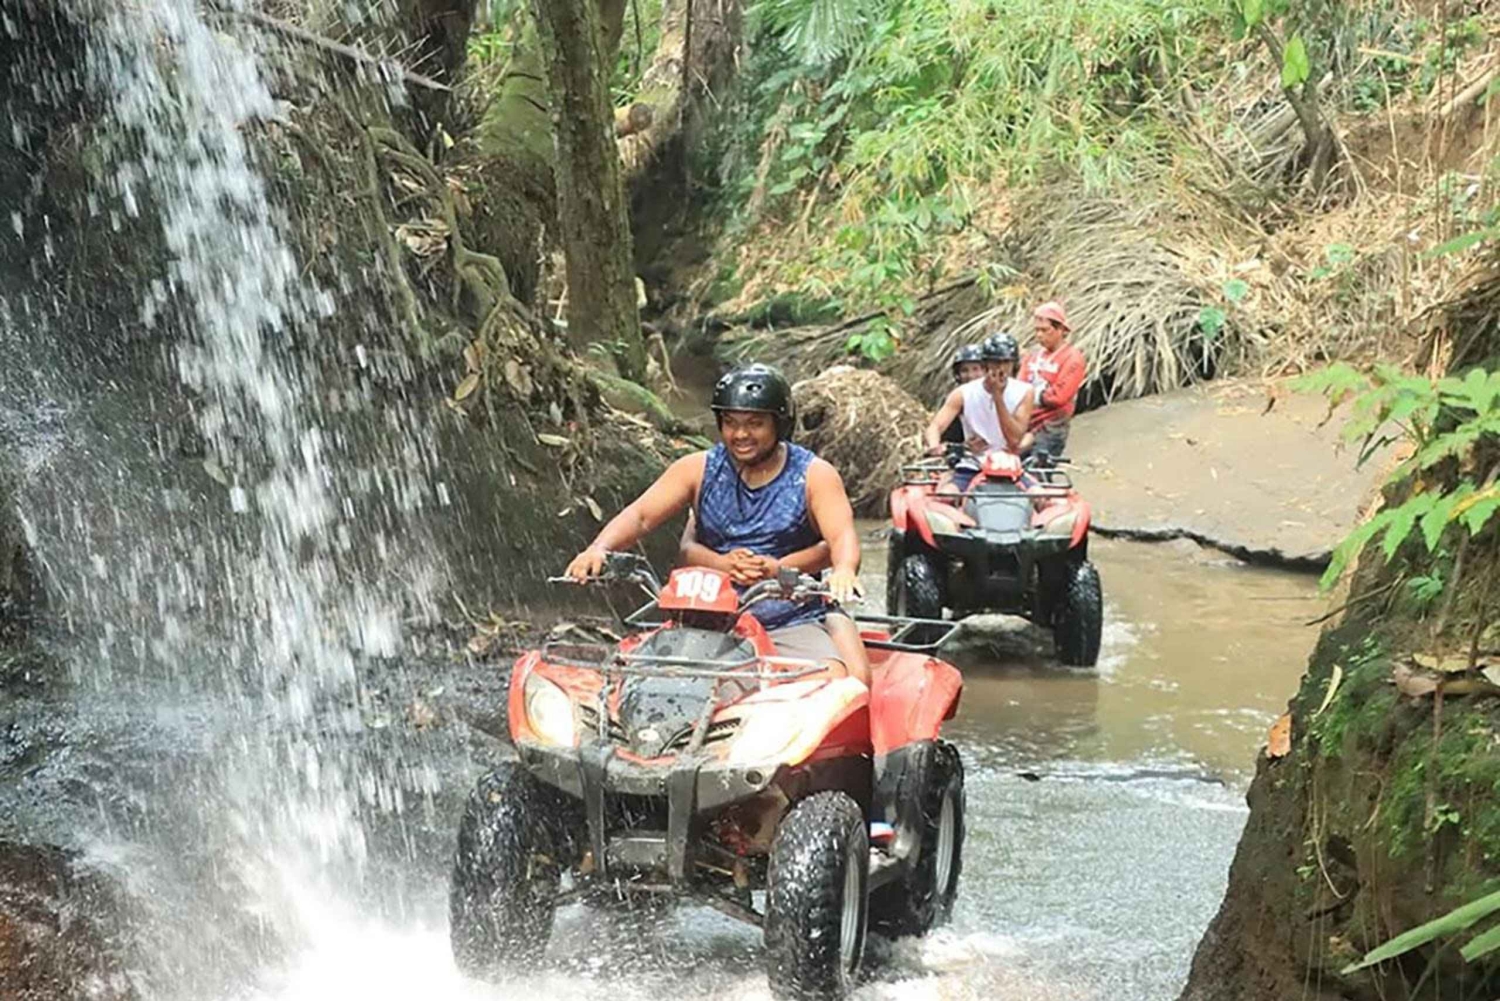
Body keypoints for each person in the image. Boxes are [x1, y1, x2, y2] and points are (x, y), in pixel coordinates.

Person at [565, 364, 870, 686]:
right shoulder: (697, 469)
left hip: (788, 617)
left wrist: (844, 570)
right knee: (633, 684)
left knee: (831, 686)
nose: (740, 435)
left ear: (779, 425)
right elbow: (641, 515)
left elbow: (841, 537)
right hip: (703, 618)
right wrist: (599, 548)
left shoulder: (813, 474)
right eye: (730, 423)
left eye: (755, 424)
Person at [922, 333, 1033, 490]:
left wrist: (997, 396)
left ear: (1014, 364)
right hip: (972, 464)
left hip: (1009, 464)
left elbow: (1014, 439)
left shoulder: (1024, 392)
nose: (1000, 368)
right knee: (947, 494)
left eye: (1006, 362)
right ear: (986, 364)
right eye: (994, 362)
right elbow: (936, 426)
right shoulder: (962, 393)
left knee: (1041, 495)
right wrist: (935, 447)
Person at [1019, 301, 1086, 457]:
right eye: (1036, 330)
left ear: (1060, 330)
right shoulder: (1033, 355)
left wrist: (1029, 395)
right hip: (1025, 423)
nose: (1039, 335)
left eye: (1045, 330)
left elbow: (1059, 396)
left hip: (1050, 427)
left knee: (1038, 473)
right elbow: (1019, 384)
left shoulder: (1072, 358)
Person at [939, 344, 986, 447]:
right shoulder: (955, 400)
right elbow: (938, 429)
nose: (971, 375)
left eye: (976, 369)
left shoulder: (998, 397)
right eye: (965, 370)